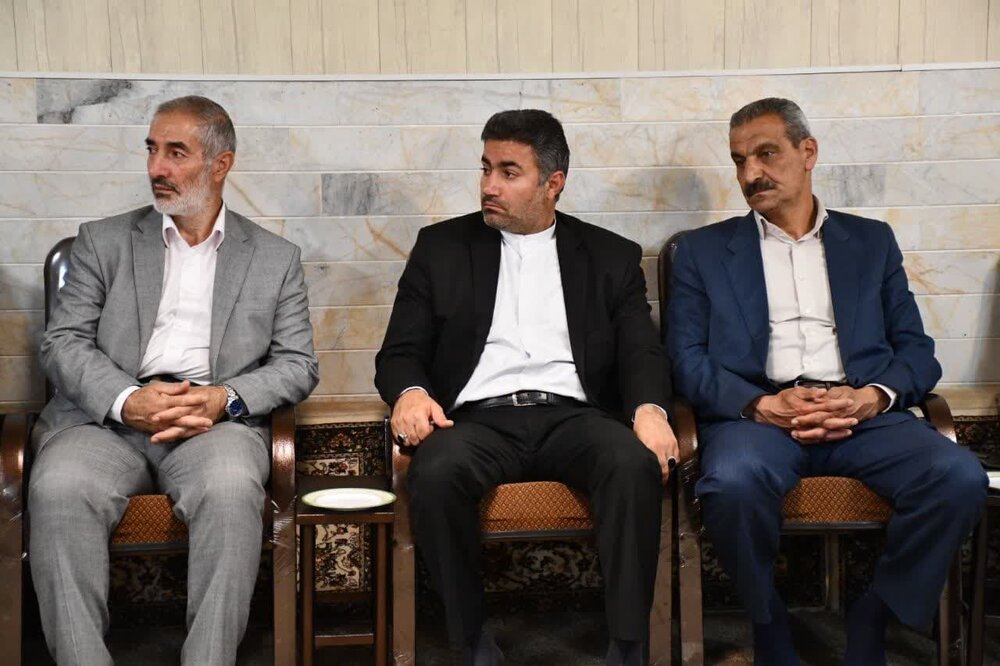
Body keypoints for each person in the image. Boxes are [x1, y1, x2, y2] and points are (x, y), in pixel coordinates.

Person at [667, 97, 987, 665]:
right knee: (731, 485)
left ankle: (875, 615)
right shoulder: (700, 252)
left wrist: (870, 398)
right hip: (758, 420)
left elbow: (916, 351)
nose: (750, 173)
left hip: (861, 414)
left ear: (808, 151)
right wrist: (761, 404)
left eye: (766, 154)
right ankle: (769, 624)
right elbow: (686, 359)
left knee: (959, 477)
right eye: (739, 160)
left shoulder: (871, 242)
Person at [375, 109, 676, 665]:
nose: (489, 185)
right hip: (476, 420)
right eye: (486, 168)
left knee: (631, 464)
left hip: (575, 417)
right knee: (435, 473)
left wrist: (651, 410)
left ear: (553, 183)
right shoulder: (441, 248)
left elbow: (642, 351)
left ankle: (628, 645)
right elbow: (399, 354)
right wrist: (410, 393)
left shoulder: (610, 256)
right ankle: (471, 641)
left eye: (509, 172)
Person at [29, 95, 319, 665]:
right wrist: (127, 399)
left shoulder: (274, 258)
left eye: (176, 153)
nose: (156, 167)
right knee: (58, 489)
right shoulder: (102, 241)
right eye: (152, 150)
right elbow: (62, 342)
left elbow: (297, 364)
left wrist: (222, 399)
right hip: (103, 421)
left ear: (221, 164)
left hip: (211, 425)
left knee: (232, 490)